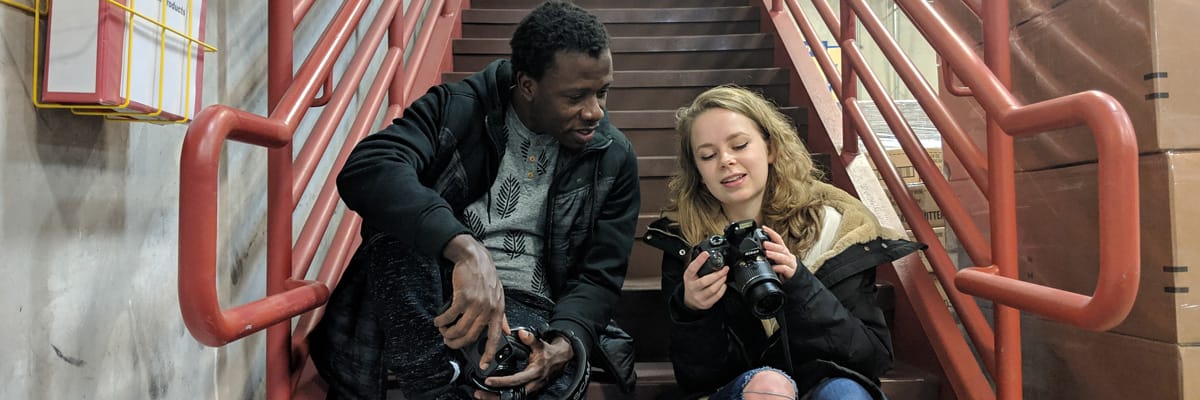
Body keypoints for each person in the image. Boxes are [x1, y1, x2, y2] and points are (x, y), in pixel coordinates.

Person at [311, 2, 640, 399]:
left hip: (529, 308)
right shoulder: (456, 108)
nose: (595, 111)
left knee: (533, 376)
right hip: (435, 290)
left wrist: (565, 341)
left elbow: (598, 277)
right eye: (576, 97)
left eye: (602, 92)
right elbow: (368, 168)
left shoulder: (613, 158)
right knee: (395, 228)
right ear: (528, 85)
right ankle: (437, 385)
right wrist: (465, 249)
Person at [643, 86, 922, 400]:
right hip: (743, 390)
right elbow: (698, 379)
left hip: (823, 384)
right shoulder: (687, 244)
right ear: (698, 171)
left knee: (845, 392)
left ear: (771, 148)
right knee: (769, 387)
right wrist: (693, 312)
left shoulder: (834, 230)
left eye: (739, 145)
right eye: (708, 155)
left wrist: (801, 284)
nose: (726, 161)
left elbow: (871, 357)